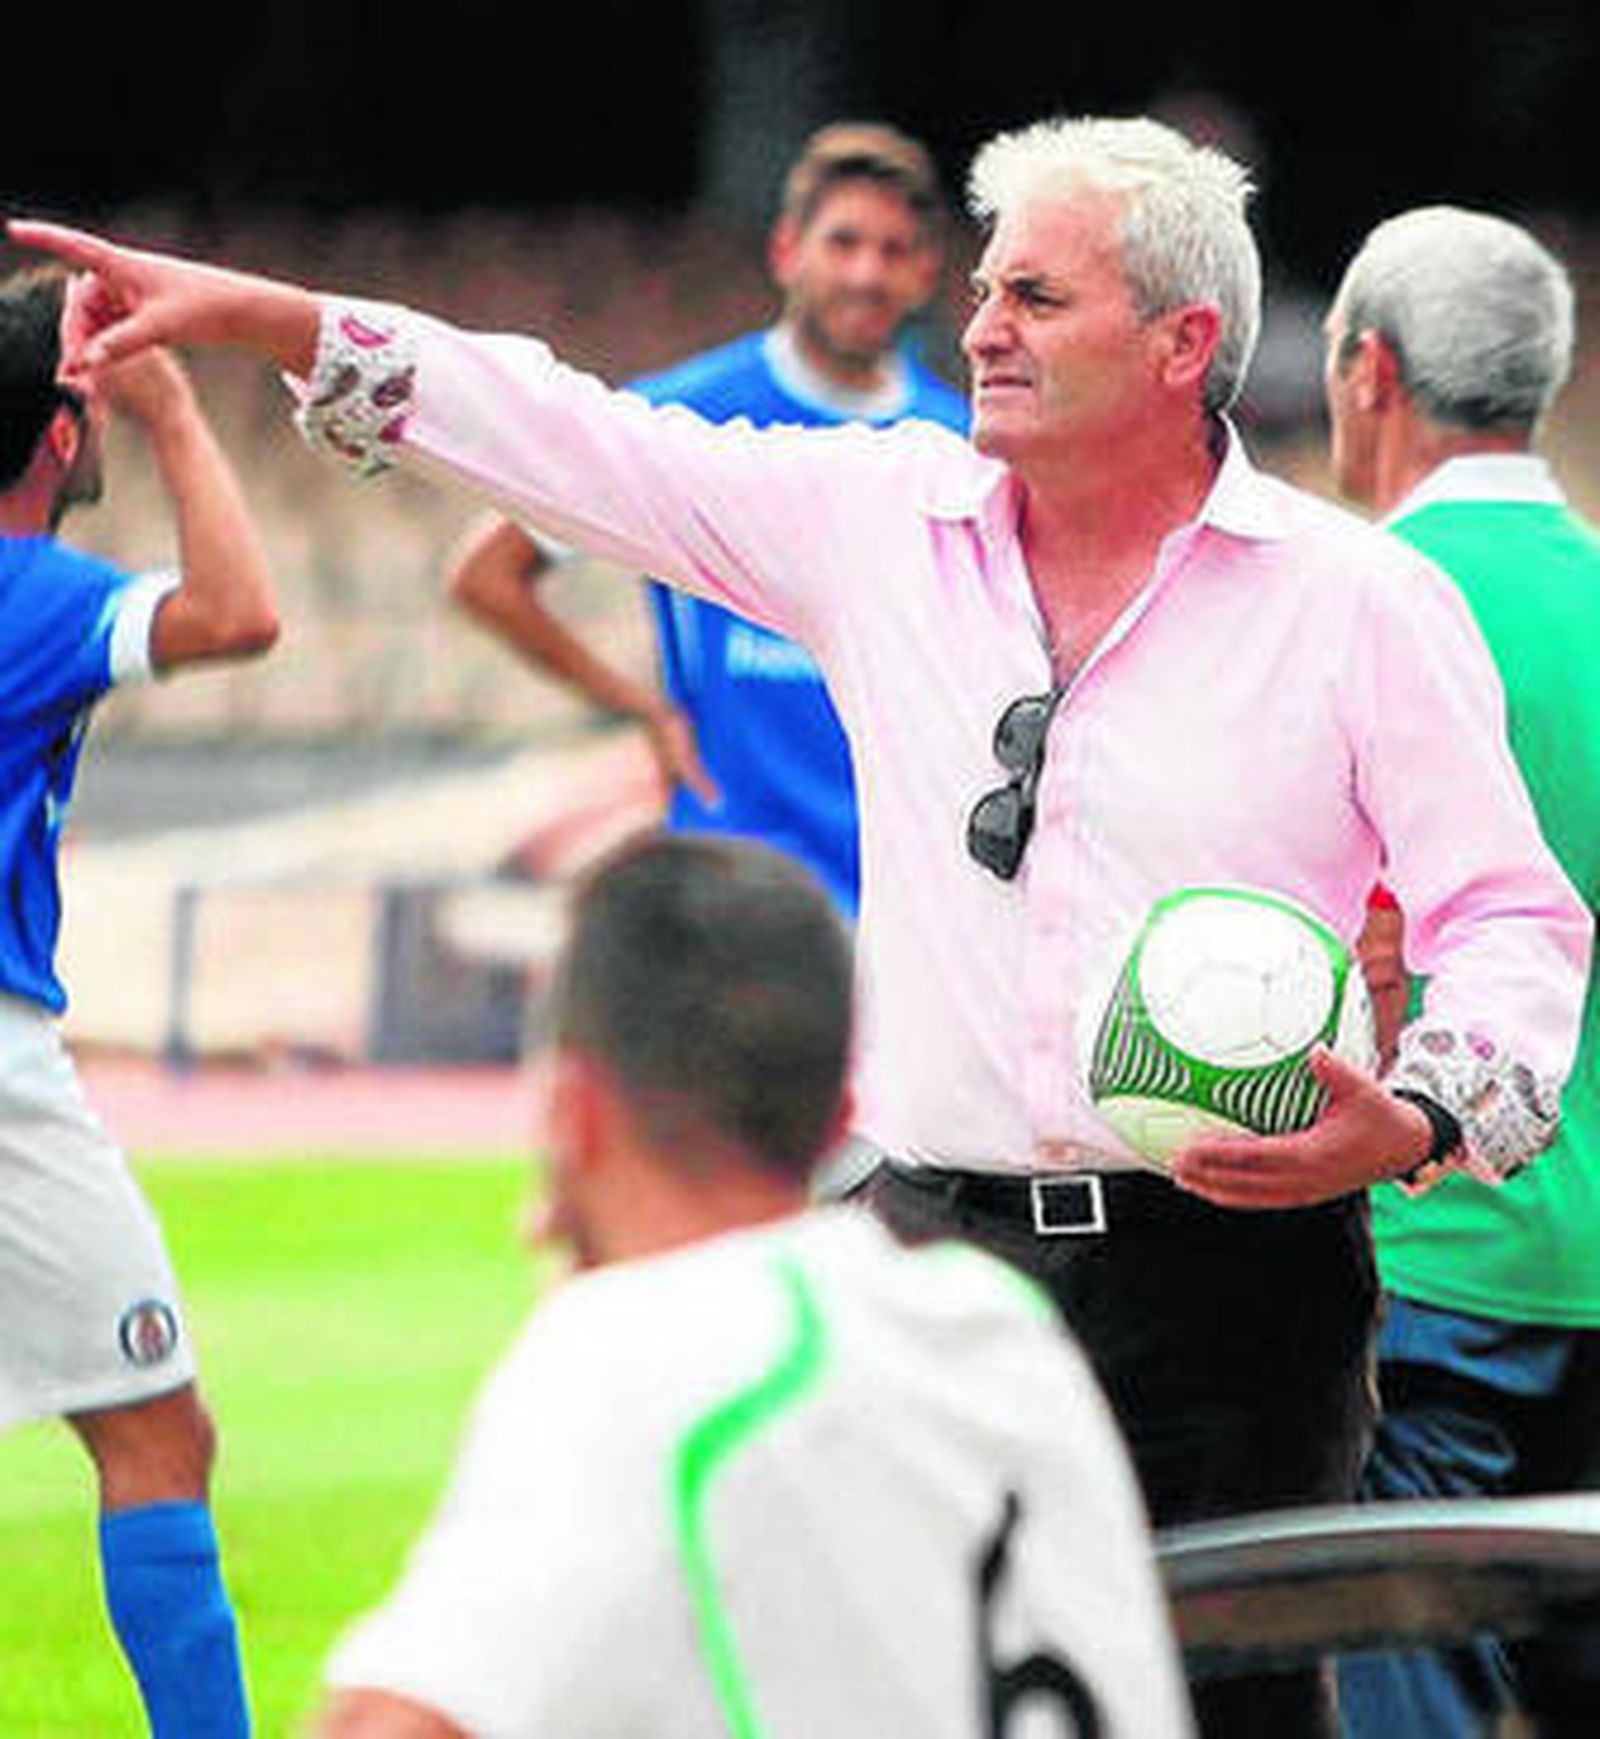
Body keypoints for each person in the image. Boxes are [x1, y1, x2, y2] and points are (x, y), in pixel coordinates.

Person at [12, 112, 1590, 1735]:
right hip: (929, 1246)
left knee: (1230, 1712)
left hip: (1241, 1283)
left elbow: (1512, 915)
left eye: (1036, 297)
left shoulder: (1358, 600)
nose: (975, 325)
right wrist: (269, 315)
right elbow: (573, 439)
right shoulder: (876, 521)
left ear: (1185, 341)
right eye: (985, 287)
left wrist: (1414, 1121)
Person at [310, 833, 1194, 1738]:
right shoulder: (1004, 1337)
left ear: (572, 1112)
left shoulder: (633, 1351)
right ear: (841, 1121)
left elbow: (395, 1723)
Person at [1321, 207, 1600, 1737]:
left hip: (1434, 1256)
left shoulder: (1358, 604)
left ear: (1371, 373)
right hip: (1592, 1257)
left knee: (1399, 1680)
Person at [447, 121, 966, 919]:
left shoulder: (962, 443)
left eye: (894, 251)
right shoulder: (683, 415)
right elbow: (487, 575)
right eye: (845, 242)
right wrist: (642, 709)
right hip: (731, 869)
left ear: (926, 273)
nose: (867, 272)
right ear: (788, 251)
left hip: (907, 883)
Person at [0, 268, 278, 1735]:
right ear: (60, 432)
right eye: (93, 404)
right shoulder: (34, 591)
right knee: (159, 1429)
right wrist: (171, 397)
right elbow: (240, 612)